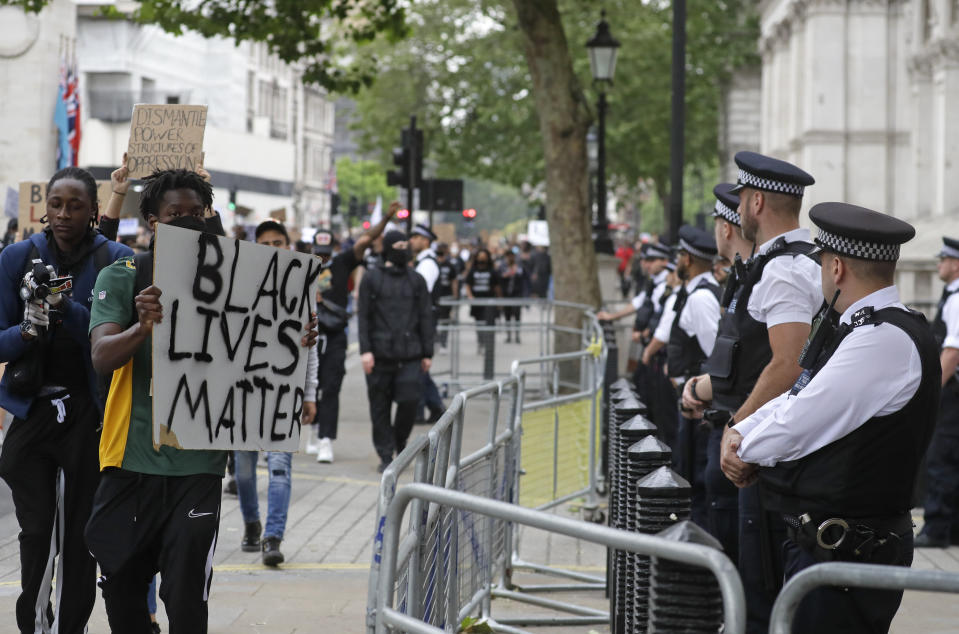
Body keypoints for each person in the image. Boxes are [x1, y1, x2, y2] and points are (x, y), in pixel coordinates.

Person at [85, 168, 317, 633]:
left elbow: (262, 343)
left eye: (198, 212)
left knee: (187, 595)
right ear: (153, 220)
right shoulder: (125, 274)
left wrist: (292, 337)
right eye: (176, 214)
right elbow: (102, 357)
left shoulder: (239, 279)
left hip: (199, 465)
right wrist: (140, 327)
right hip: (130, 461)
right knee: (122, 590)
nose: (190, 221)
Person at [722, 202, 938, 633]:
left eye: (822, 261)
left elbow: (803, 417)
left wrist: (745, 447)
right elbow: (801, 394)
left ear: (836, 266)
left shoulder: (883, 338)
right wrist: (743, 429)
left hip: (849, 549)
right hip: (836, 546)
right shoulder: (867, 328)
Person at [681, 152, 819, 634]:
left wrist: (738, 428)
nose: (737, 209)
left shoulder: (782, 269)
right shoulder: (787, 263)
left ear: (756, 201)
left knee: (758, 594)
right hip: (772, 447)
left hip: (769, 455)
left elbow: (789, 362)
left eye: (741, 198)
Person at [0, 167, 132, 634]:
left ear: (93, 211)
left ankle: (69, 627)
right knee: (36, 534)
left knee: (81, 539)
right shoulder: (17, 257)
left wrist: (65, 307)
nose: (63, 214)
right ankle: (34, 624)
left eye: (75, 205)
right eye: (56, 204)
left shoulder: (116, 260)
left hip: (90, 416)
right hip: (33, 409)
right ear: (44, 207)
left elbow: (112, 342)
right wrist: (27, 327)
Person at [232, 220, 318, 566]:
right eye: (265, 243)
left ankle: (273, 536)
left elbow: (311, 348)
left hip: (285, 389)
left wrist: (310, 392)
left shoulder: (302, 288)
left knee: (280, 467)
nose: (272, 249)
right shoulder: (237, 285)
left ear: (289, 246)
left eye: (279, 242)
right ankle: (252, 523)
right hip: (243, 391)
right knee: (243, 470)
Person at [682, 183, 754, 560]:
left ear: (726, 228)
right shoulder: (742, 279)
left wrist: (700, 389)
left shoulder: (757, 278)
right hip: (726, 418)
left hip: (737, 427)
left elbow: (771, 364)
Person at [306, 204, 400, 462]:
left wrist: (387, 218)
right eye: (319, 253)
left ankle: (326, 439)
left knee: (332, 387)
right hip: (309, 334)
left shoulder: (343, 261)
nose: (322, 259)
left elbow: (367, 240)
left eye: (326, 254)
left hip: (335, 334)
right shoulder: (301, 265)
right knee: (310, 386)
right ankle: (312, 430)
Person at [358, 230, 434, 473]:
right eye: (399, 245)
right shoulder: (371, 278)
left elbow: (425, 316)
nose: (404, 249)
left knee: (410, 401)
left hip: (410, 354)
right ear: (389, 248)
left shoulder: (416, 280)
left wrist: (427, 352)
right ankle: (384, 453)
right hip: (379, 355)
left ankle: (399, 442)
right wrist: (365, 351)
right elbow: (364, 317)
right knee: (379, 406)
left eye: (406, 245)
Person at [668, 225, 721, 528]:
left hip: (696, 405)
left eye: (679, 255)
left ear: (686, 259)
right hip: (693, 399)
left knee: (696, 482)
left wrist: (702, 395)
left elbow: (716, 355)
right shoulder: (702, 293)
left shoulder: (700, 299)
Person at [915, 236, 959, 548]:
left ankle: (937, 528)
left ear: (956, 264)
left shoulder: (957, 299)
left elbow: (952, 352)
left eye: (943, 259)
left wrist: (930, 391)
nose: (939, 263)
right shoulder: (952, 295)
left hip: (951, 391)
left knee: (941, 458)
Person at [409, 224, 445, 424]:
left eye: (415, 237)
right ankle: (435, 406)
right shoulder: (423, 262)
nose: (412, 240)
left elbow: (419, 292)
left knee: (418, 363)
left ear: (425, 241)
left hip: (423, 321)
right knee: (419, 365)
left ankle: (422, 409)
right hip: (422, 320)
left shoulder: (427, 264)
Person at [464, 248, 502, 355]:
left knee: (488, 325)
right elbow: (468, 285)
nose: (482, 260)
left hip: (489, 303)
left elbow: (497, 287)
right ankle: (481, 343)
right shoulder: (473, 271)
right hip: (477, 303)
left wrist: (499, 301)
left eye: (484, 257)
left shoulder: (492, 271)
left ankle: (488, 345)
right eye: (480, 257)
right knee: (479, 325)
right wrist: (470, 296)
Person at [499, 250, 529, 343]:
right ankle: (509, 336)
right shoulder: (502, 267)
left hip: (516, 295)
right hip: (506, 295)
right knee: (507, 316)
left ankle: (517, 336)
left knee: (517, 316)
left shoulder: (519, 266)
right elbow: (500, 277)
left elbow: (523, 277)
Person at [433, 242, 459, 348]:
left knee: (445, 321)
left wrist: (455, 295)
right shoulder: (433, 263)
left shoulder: (450, 265)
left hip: (446, 297)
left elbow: (454, 281)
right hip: (435, 297)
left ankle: (443, 343)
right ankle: (436, 341)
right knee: (434, 320)